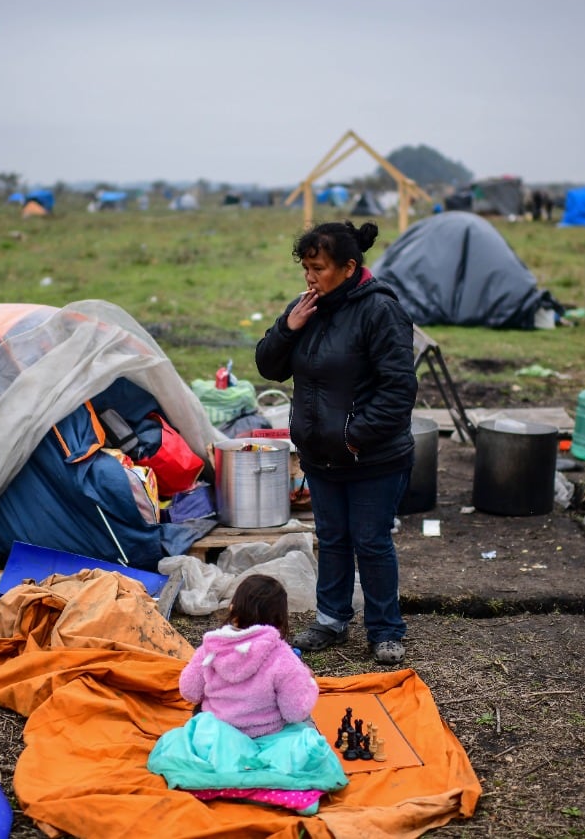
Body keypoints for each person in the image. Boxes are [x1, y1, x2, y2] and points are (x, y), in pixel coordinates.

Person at [255, 220, 417, 665]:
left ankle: (385, 629)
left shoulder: (381, 311)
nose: (309, 277)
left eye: (318, 268)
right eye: (305, 268)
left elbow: (399, 389)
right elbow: (270, 366)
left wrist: (354, 436)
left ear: (348, 268)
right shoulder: (307, 307)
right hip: (322, 455)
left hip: (373, 456)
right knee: (331, 537)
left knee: (371, 540)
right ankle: (331, 619)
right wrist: (288, 327)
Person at [178, 574, 318, 738]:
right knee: (307, 725)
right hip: (269, 738)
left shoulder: (211, 646)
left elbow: (189, 691)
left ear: (232, 608)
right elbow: (295, 712)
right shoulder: (281, 655)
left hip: (217, 736)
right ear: (280, 620)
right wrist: (308, 682)